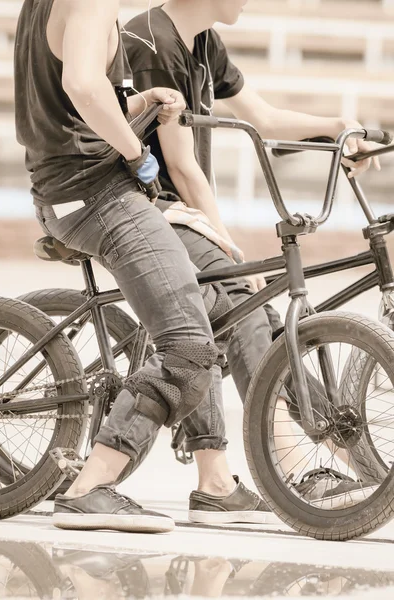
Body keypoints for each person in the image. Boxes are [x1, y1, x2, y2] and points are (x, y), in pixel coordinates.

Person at [14, 0, 269, 533]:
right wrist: (137, 154)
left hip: (69, 187)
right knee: (188, 347)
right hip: (98, 192)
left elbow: (71, 102)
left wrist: (140, 102)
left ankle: (215, 478)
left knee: (209, 304)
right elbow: (84, 87)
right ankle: (91, 488)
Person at [122, 0, 380, 511]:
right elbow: (181, 164)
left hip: (178, 208)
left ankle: (238, 477)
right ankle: (290, 469)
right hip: (145, 207)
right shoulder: (154, 41)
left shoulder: (201, 41)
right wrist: (228, 244)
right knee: (239, 301)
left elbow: (261, 116)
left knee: (247, 307)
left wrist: (336, 125)